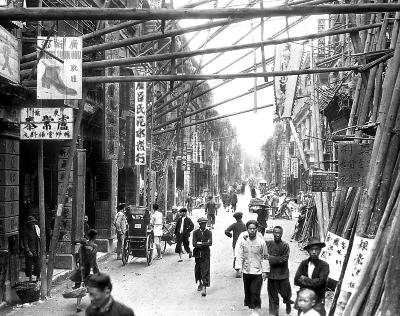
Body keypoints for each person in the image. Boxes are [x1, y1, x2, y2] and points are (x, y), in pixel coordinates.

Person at [235, 220, 269, 314]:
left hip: (257, 272)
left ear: (257, 229)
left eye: (254, 229)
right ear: (247, 229)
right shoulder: (243, 242)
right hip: (246, 271)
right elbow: (239, 255)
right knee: (248, 293)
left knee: (255, 292)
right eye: (250, 229)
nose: (252, 230)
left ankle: (256, 311)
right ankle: (252, 310)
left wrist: (265, 271)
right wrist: (238, 268)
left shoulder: (261, 242)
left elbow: (265, 257)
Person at [294, 237, 329, 316]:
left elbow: (320, 283)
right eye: (311, 249)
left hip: (317, 299)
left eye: (316, 249)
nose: (314, 252)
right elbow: (296, 280)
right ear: (308, 251)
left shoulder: (324, 266)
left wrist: (305, 279)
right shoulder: (304, 263)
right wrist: (313, 282)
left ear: (320, 250)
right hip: (304, 298)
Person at [266, 226, 294, 316]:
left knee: (286, 293)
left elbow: (284, 259)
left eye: (279, 233)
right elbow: (259, 242)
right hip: (272, 275)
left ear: (282, 234)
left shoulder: (285, 245)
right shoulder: (269, 243)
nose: (277, 235)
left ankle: (287, 302)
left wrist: (270, 258)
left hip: (283, 274)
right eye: (276, 232)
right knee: (273, 296)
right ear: (273, 233)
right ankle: (274, 313)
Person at [72, 229, 100, 312]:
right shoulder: (94, 246)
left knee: (81, 286)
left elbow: (79, 256)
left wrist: (79, 265)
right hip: (91, 268)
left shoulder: (83, 245)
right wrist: (92, 270)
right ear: (95, 236)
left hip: (82, 268)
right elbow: (93, 260)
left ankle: (78, 306)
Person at [193, 217, 212, 297]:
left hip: (205, 254)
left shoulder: (209, 232)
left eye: (204, 224)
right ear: (199, 225)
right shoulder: (195, 232)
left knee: (205, 270)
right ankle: (200, 283)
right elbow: (194, 244)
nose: (203, 225)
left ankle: (204, 286)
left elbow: (210, 243)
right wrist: (204, 243)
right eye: (201, 224)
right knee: (198, 269)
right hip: (197, 254)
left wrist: (200, 243)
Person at [224, 212, 246, 278]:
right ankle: (241, 270)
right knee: (243, 255)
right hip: (243, 243)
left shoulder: (234, 225)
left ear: (235, 218)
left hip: (235, 243)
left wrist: (230, 235)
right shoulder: (244, 225)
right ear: (241, 217)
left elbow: (226, 231)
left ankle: (238, 271)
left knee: (236, 256)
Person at [23, 216, 41, 282]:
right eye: (31, 223)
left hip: (36, 250)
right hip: (30, 250)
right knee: (29, 266)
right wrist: (28, 251)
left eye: (33, 222)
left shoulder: (36, 229)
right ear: (28, 223)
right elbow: (25, 242)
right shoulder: (26, 231)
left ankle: (38, 278)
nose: (32, 224)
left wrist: (39, 249)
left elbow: (39, 239)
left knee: (38, 265)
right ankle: (30, 279)